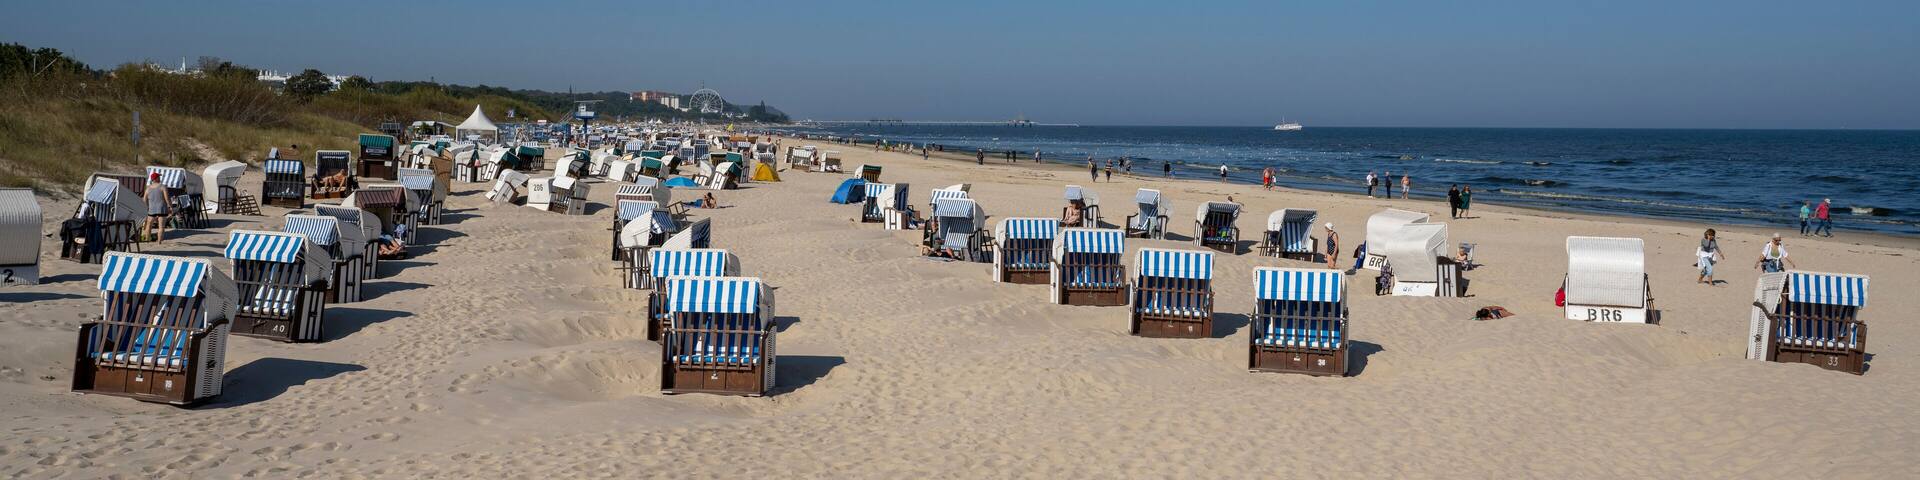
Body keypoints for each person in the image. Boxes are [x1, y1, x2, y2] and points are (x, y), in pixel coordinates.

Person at [141, 172, 170, 243]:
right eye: (159, 177)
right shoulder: (163, 187)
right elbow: (167, 199)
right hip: (162, 209)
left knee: (149, 225)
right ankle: (159, 242)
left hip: (151, 210)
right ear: (156, 178)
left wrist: (147, 207)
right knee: (161, 226)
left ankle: (147, 240)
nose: (160, 178)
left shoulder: (148, 188)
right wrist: (170, 207)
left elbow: (144, 200)